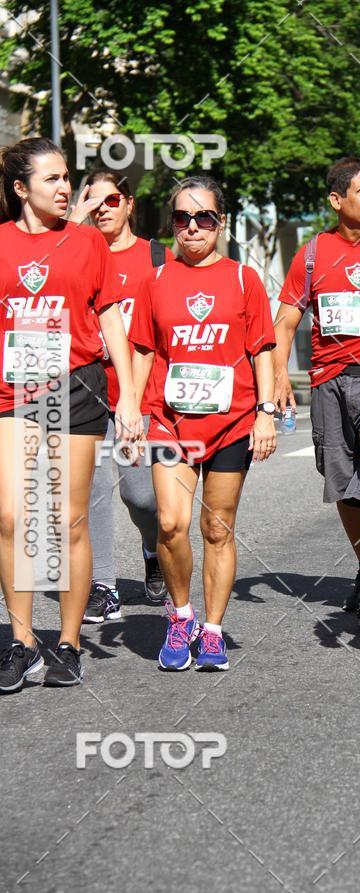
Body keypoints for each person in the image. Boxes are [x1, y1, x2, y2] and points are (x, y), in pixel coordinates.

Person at [0, 138, 142, 693]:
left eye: (66, 177)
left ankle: (68, 642)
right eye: (52, 179)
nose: (65, 188)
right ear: (20, 188)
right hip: (13, 391)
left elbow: (109, 318)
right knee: (11, 517)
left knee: (67, 521)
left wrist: (128, 397)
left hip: (77, 386)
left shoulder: (86, 242)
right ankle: (22, 643)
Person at [130, 175, 276, 672]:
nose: (192, 227)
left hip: (231, 422)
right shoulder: (155, 280)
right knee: (171, 524)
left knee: (217, 528)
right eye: (182, 218)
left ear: (220, 223)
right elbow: (144, 350)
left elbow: (262, 349)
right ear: (172, 223)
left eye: (204, 218)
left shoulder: (243, 279)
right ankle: (181, 616)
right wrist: (130, 410)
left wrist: (265, 413)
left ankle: (212, 631)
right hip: (169, 422)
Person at [273, 158, 360, 626]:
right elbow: (285, 321)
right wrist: (278, 375)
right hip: (328, 380)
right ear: (336, 200)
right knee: (343, 485)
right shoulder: (313, 254)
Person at [70, 171, 171, 622]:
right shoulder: (77, 252)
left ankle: (153, 550)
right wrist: (74, 225)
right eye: (93, 202)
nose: (102, 210)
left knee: (140, 496)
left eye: (111, 200)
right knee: (92, 493)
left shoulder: (156, 256)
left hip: (142, 395)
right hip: (88, 393)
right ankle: (104, 585)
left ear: (129, 203)